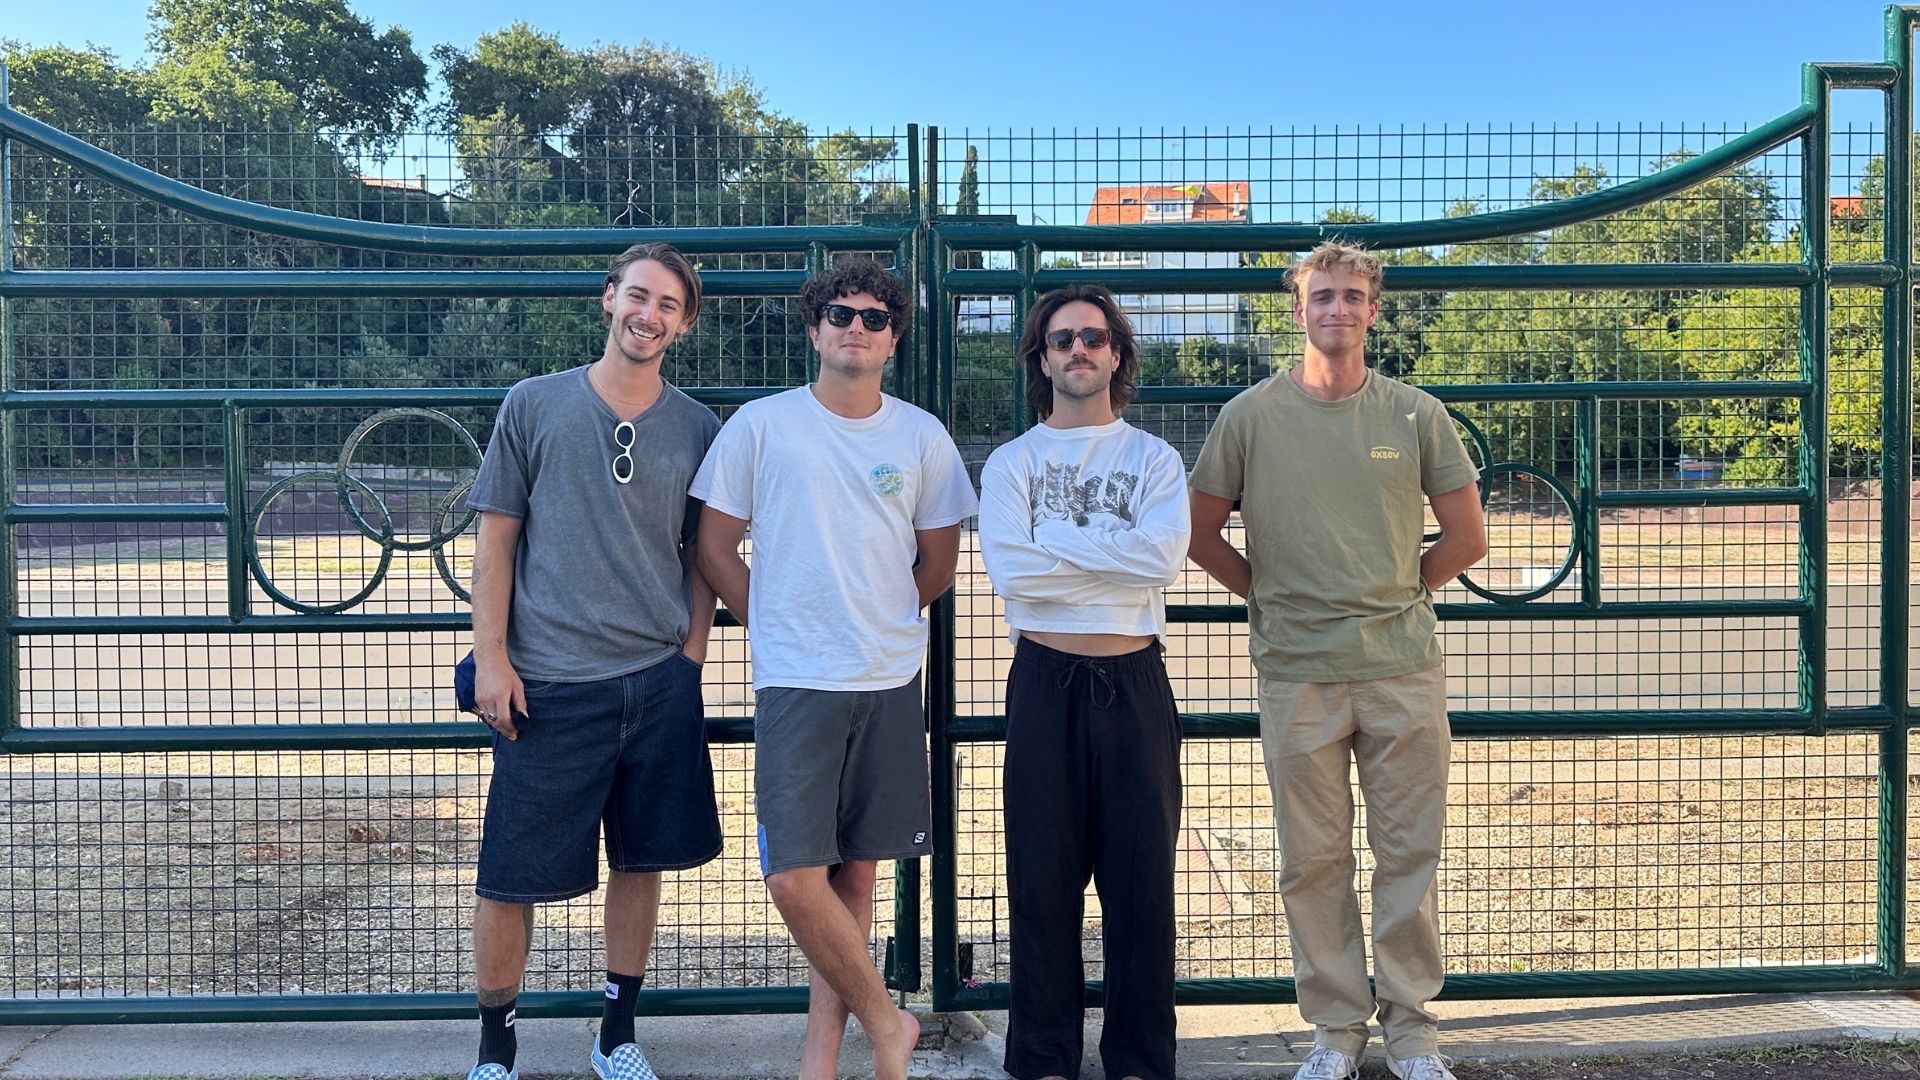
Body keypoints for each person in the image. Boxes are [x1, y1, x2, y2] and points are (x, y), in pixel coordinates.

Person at [1187, 241, 1488, 1080]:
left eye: (1353, 297)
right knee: (1311, 861)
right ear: (1298, 310)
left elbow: (1467, 538)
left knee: (1408, 855)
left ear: (1373, 310)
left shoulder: (1415, 415)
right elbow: (1200, 533)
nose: (1338, 310)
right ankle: (1333, 1033)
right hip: (1297, 672)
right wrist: (1271, 596)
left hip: (1401, 667)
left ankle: (1415, 1036)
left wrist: (1399, 590)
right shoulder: (1249, 416)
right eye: (1323, 297)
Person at [691, 257, 978, 1080]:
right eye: (842, 314)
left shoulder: (920, 435)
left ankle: (822, 1057)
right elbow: (714, 547)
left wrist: (877, 619)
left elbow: (938, 566)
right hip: (795, 679)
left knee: (857, 870)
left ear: (893, 338)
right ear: (814, 328)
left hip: (887, 675)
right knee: (792, 875)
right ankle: (890, 1025)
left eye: (876, 317)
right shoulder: (762, 425)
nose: (858, 326)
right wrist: (779, 620)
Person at [462, 242, 723, 1080]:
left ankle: (617, 1033)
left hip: (656, 682)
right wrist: (491, 658)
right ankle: (496, 1046)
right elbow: (494, 543)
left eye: (669, 306)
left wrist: (690, 657)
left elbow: (702, 554)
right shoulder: (533, 404)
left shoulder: (698, 426)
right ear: (608, 299)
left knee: (643, 860)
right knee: (510, 874)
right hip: (547, 684)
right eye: (638, 296)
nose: (650, 315)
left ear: (682, 325)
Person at [977, 285, 1190, 1080]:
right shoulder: (1013, 462)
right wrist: (1108, 556)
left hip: (1134, 680)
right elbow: (1010, 573)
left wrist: (1056, 545)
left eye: (1094, 338)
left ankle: (1138, 1060)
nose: (1079, 350)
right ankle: (1041, 1059)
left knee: (1143, 886)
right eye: (1062, 339)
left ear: (1117, 354)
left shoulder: (1154, 459)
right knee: (1042, 883)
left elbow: (1163, 561)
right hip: (1044, 681)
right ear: (1041, 357)